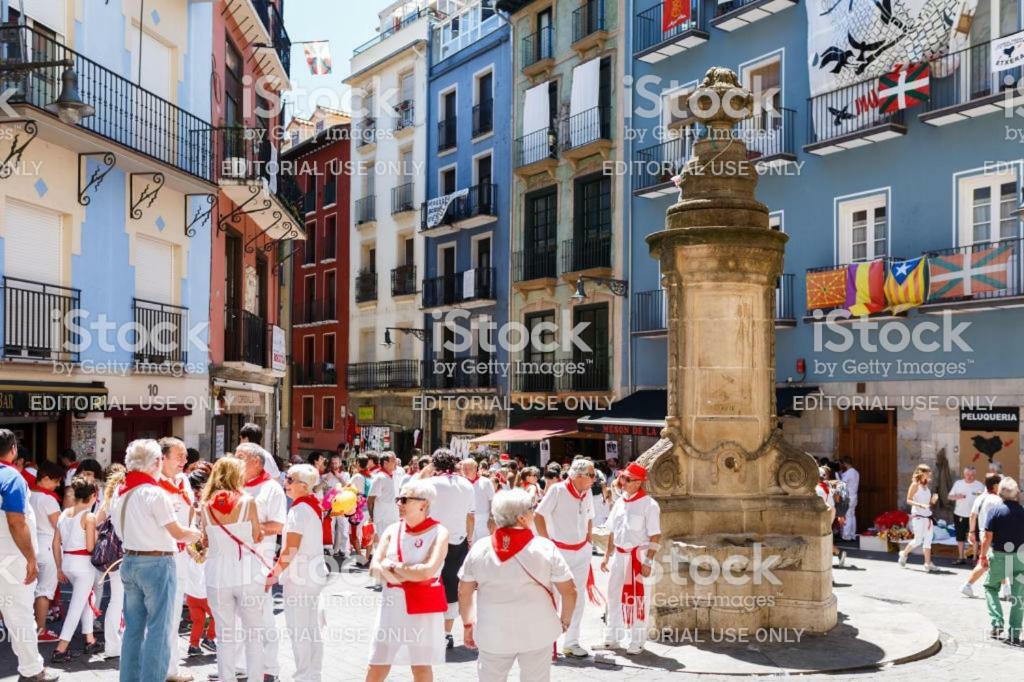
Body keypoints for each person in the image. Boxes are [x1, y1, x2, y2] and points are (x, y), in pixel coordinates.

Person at [458, 489, 577, 682]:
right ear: (522, 518)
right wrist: (564, 621)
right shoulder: (544, 547)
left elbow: (464, 592)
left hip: (492, 631)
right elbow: (569, 591)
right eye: (532, 508)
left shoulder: (480, 547)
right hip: (538, 630)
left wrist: (467, 624)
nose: (534, 511)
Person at [112, 439, 201, 682]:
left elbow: (118, 532)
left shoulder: (120, 493)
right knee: (159, 630)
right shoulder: (154, 493)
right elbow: (178, 532)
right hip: (157, 562)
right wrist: (195, 533)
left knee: (133, 630)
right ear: (156, 462)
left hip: (130, 560)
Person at [366, 479, 449, 681]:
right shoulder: (392, 530)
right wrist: (410, 573)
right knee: (377, 663)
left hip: (422, 607)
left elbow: (427, 571)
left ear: (423, 504)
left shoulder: (439, 532)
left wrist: (393, 567)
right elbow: (374, 569)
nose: (399, 504)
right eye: (398, 499)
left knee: (420, 666)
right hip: (392, 604)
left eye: (404, 499)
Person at [0, 429, 60, 682]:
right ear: (13, 449)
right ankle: (32, 670)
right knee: (20, 615)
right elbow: (16, 521)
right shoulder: (11, 477)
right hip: (11, 558)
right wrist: (31, 559)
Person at [202, 456, 267, 682]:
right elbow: (258, 535)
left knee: (224, 633)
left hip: (217, 574)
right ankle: (255, 678)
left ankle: (226, 678)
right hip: (247, 572)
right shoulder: (248, 502)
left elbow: (205, 541)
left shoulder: (206, 506)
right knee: (253, 633)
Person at [266, 464, 329, 682]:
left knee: (300, 630)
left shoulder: (299, 509)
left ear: (303, 485)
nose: (286, 482)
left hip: (300, 578)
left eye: (290, 480)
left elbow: (290, 548)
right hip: (311, 576)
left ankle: (304, 676)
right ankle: (311, 675)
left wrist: (274, 573)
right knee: (311, 630)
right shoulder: (310, 506)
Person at [534, 458, 598, 658]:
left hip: (581, 551)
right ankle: (546, 641)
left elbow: (589, 517)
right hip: (559, 551)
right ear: (579, 476)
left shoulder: (586, 493)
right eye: (592, 474)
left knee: (577, 597)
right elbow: (538, 515)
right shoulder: (557, 490)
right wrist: (547, 544)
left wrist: (588, 541)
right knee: (553, 597)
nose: (595, 478)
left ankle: (571, 642)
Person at [237, 442, 287, 681]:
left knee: (264, 618)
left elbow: (278, 525)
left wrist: (245, 530)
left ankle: (270, 668)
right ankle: (240, 666)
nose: (235, 462)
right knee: (237, 619)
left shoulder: (271, 489)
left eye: (241, 457)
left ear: (256, 463)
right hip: (233, 564)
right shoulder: (233, 486)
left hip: (259, 563)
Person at [601, 462, 662, 655]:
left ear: (638, 483)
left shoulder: (650, 505)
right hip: (619, 555)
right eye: (622, 477)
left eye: (627, 479)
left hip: (639, 556)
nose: (623, 481)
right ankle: (612, 638)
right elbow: (612, 531)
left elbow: (655, 535)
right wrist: (606, 555)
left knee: (640, 600)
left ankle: (637, 641)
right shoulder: (620, 502)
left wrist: (648, 561)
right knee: (613, 596)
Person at [154, 437, 197, 682]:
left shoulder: (183, 481)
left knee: (172, 614)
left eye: (185, 456)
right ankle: (162, 668)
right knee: (160, 614)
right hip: (161, 555)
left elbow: (190, 509)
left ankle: (169, 667)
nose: (184, 461)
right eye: (179, 456)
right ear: (163, 458)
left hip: (181, 554)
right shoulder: (153, 485)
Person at [51, 477, 101, 663]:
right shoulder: (89, 516)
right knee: (77, 605)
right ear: (93, 496)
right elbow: (90, 547)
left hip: (67, 562)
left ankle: (90, 639)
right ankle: (60, 649)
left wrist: (58, 567)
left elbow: (55, 543)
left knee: (84, 599)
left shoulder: (64, 514)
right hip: (83, 564)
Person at [429, 448, 475, 649]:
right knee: (452, 588)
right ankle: (446, 633)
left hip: (433, 540)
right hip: (459, 540)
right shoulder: (466, 484)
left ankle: (431, 629)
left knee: (430, 584)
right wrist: (469, 537)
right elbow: (470, 515)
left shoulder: (429, 484)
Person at [980, 476, 1024, 643]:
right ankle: (1014, 633)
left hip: (999, 556)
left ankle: (997, 622)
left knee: (990, 587)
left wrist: (982, 556)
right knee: (1019, 596)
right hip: (1021, 557)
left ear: (1000, 493)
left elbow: (987, 538)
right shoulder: (1023, 511)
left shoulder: (995, 511)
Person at [29, 463, 63, 643]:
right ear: (45, 478)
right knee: (44, 591)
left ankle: (30, 628)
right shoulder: (48, 499)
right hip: (49, 547)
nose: (58, 485)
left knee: (31, 590)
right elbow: (59, 526)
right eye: (56, 481)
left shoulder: (30, 495)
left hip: (32, 546)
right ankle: (40, 630)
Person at [183, 468, 215, 658]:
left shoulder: (201, 506)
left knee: (197, 620)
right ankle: (210, 639)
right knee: (217, 615)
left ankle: (193, 645)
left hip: (192, 591)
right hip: (203, 588)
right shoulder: (199, 507)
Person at [962, 473, 1004, 598]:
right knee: (999, 562)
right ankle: (1007, 590)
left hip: (983, 534)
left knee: (987, 562)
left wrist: (971, 532)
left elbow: (972, 515)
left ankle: (967, 585)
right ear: (996, 485)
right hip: (993, 535)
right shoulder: (998, 500)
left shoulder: (980, 498)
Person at [898, 464, 938, 572]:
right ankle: (904, 554)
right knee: (918, 540)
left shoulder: (926, 486)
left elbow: (928, 504)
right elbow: (908, 500)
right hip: (918, 516)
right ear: (922, 473)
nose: (930, 474)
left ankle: (927, 563)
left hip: (927, 516)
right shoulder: (915, 485)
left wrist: (933, 501)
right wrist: (920, 505)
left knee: (928, 540)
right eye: (928, 472)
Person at [949, 466, 986, 565]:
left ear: (975, 475)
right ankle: (961, 558)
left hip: (975, 516)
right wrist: (958, 496)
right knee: (960, 537)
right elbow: (949, 496)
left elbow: (985, 499)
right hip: (959, 514)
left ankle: (975, 559)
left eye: (972, 475)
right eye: (967, 475)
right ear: (964, 474)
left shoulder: (980, 485)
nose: (970, 477)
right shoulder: (958, 484)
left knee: (975, 538)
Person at [462, 459, 494, 543]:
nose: (467, 471)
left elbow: (492, 500)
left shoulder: (486, 482)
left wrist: (491, 517)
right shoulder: (461, 482)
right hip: (466, 518)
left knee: (483, 543)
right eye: (464, 468)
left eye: (469, 468)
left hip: (483, 519)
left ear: (476, 468)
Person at [838, 457, 860, 541]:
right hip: (854, 496)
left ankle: (846, 536)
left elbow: (842, 485)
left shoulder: (849, 473)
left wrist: (841, 495)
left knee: (847, 516)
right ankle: (852, 534)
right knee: (852, 515)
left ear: (845, 464)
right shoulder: (856, 472)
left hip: (848, 497)